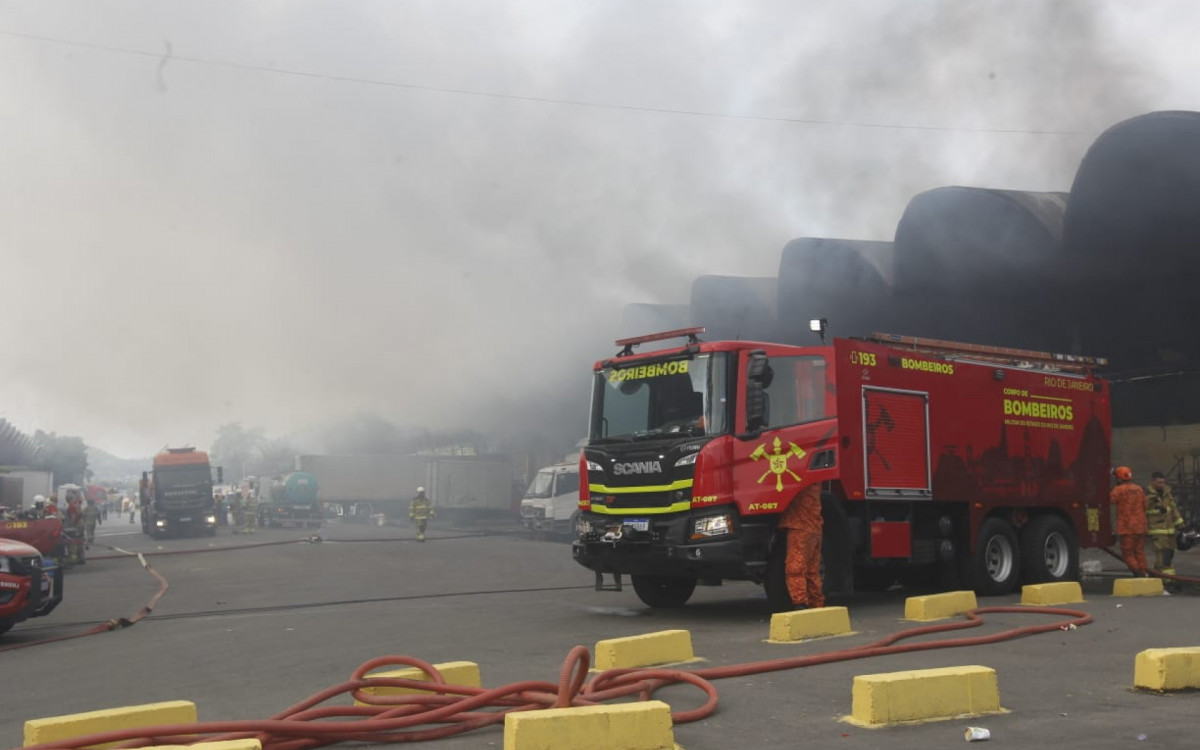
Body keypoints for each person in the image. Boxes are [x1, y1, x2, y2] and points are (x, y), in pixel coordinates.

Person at [778, 482, 824, 610]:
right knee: (812, 570)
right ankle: (816, 603)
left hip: (799, 526)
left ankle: (800, 602)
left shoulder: (799, 483)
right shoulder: (813, 484)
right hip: (814, 527)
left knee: (795, 567)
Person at [1111, 466, 1148, 576]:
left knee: (1127, 553)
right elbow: (1145, 505)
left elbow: (1110, 500)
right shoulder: (1139, 489)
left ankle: (1137, 572)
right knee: (1139, 551)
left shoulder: (1118, 490)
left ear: (1119, 478)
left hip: (1126, 526)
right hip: (1141, 526)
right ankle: (1143, 572)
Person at [1145, 471, 1184, 577]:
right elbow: (1142, 511)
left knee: (1169, 553)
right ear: (1153, 481)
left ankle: (1155, 574)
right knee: (1162, 555)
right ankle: (1166, 578)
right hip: (1156, 530)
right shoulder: (1147, 495)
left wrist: (1180, 524)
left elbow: (1173, 509)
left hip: (1169, 530)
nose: (1161, 485)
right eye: (1159, 483)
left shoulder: (1167, 494)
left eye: (1163, 483)